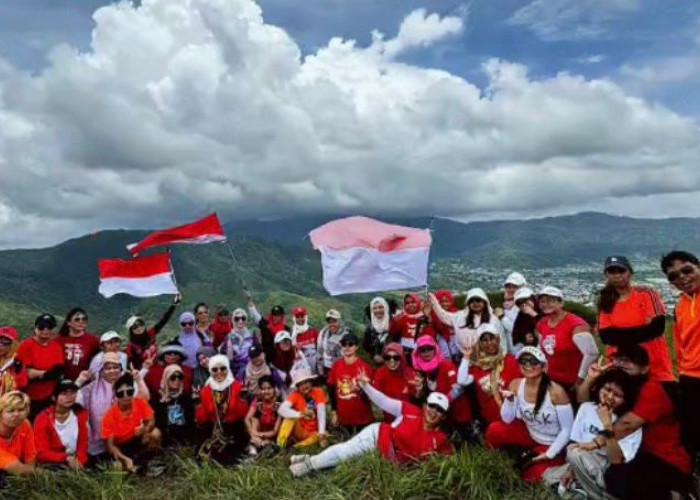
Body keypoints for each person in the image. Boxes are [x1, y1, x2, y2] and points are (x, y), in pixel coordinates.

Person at [289, 376, 453, 477]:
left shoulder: (440, 440)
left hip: (388, 462)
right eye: (432, 406)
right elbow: (383, 401)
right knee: (345, 452)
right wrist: (365, 386)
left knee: (344, 465)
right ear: (425, 406)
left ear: (444, 416)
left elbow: (446, 463)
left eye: (439, 410)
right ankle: (310, 464)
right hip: (377, 436)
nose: (434, 411)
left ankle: (307, 459)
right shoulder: (411, 411)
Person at [584, 345, 692, 500]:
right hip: (637, 453)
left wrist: (595, 443)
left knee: (619, 478)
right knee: (613, 475)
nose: (621, 363)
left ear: (644, 368)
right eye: (618, 359)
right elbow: (585, 403)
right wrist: (591, 378)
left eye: (628, 361)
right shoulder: (624, 385)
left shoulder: (652, 388)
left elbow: (627, 424)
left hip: (664, 458)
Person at [549, 369, 642, 500]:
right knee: (548, 476)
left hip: (606, 469)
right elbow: (575, 442)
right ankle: (580, 489)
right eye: (607, 389)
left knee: (574, 453)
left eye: (617, 395)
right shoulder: (586, 408)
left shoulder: (629, 422)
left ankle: (599, 496)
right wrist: (571, 470)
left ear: (625, 400)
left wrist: (607, 423)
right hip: (582, 460)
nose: (609, 397)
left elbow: (616, 460)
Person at [484, 347, 574, 483]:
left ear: (544, 367)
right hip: (529, 433)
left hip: (551, 442)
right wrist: (509, 401)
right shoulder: (516, 384)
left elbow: (567, 430)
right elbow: (507, 419)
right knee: (494, 430)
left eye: (533, 362)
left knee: (531, 476)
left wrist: (550, 453)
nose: (528, 365)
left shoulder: (556, 392)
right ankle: (490, 461)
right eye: (523, 361)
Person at [597, 256, 673, 382]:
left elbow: (657, 328)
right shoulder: (605, 300)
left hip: (653, 362)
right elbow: (606, 336)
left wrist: (618, 334)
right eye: (612, 272)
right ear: (606, 275)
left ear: (630, 272)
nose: (617, 276)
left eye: (621, 271)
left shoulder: (647, 294)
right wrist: (643, 329)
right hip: (620, 363)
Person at [660, 250, 700, 462]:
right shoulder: (680, 307)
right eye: (673, 276)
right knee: (691, 430)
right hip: (691, 377)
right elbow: (680, 344)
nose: (681, 278)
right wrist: (683, 372)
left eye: (687, 270)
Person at [75, 352, 151, 461]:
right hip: (101, 440)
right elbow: (71, 400)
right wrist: (79, 381)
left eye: (116, 367)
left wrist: (139, 379)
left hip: (126, 435)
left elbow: (145, 398)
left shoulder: (127, 383)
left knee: (153, 434)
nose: (112, 371)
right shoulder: (91, 388)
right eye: (108, 368)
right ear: (101, 370)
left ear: (121, 368)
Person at [535, 286, 598, 393]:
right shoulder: (542, 323)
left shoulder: (575, 325)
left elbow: (592, 353)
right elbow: (540, 347)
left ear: (561, 303)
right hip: (551, 380)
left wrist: (580, 380)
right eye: (543, 301)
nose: (546, 304)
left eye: (551, 301)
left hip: (572, 383)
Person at [456, 325, 520, 426]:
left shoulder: (511, 360)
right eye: (484, 340)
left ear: (498, 339)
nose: (489, 343)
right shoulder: (476, 368)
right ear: (480, 344)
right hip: (493, 420)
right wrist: (466, 357)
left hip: (517, 417)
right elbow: (461, 380)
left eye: (492, 338)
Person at [411, 335, 472, 440]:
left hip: (458, 413)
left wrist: (443, 402)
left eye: (429, 348)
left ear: (435, 348)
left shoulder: (446, 365)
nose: (426, 352)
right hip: (441, 418)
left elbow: (458, 388)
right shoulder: (420, 371)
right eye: (422, 350)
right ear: (418, 352)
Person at [101, 372, 161, 473]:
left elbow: (151, 420)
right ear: (115, 395)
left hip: (136, 441)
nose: (125, 396)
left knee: (155, 433)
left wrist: (145, 429)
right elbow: (110, 446)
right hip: (120, 447)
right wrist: (124, 458)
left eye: (129, 392)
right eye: (121, 393)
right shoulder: (109, 416)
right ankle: (132, 464)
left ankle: (148, 460)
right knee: (117, 467)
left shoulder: (140, 402)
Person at [195, 354, 249, 465]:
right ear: (210, 371)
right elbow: (202, 420)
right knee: (204, 454)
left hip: (232, 429)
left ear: (227, 369)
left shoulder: (237, 386)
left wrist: (243, 399)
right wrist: (198, 404)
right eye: (215, 369)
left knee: (228, 454)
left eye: (222, 368)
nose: (219, 372)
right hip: (213, 430)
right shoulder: (205, 391)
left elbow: (241, 415)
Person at [429, 288, 507, 358]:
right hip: (467, 357)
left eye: (478, 300)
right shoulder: (461, 316)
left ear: (485, 302)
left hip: (489, 358)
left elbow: (502, 340)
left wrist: (502, 356)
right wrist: (434, 302)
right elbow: (444, 317)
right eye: (472, 301)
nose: (475, 303)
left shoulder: (493, 319)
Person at [16, 314, 65, 420]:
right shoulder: (26, 345)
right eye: (41, 326)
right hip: (28, 398)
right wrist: (45, 374)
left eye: (49, 327)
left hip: (49, 397)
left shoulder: (56, 347)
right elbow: (25, 373)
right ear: (35, 328)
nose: (45, 330)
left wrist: (42, 374)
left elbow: (58, 371)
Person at [33, 378, 89, 469]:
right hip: (51, 465)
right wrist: (66, 458)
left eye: (72, 392)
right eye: (64, 393)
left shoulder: (80, 414)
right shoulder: (43, 418)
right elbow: (41, 452)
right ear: (54, 397)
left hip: (76, 462)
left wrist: (79, 461)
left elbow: (83, 444)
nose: (70, 396)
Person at [327, 333, 374, 435]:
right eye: (344, 344)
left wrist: (362, 388)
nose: (347, 347)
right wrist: (334, 412)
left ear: (356, 346)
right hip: (343, 419)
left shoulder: (364, 367)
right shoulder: (336, 365)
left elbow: (370, 397)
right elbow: (331, 390)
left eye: (351, 344)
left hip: (363, 419)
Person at [124, 295, 179, 370]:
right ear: (131, 331)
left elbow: (163, 320)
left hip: (158, 368)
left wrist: (174, 303)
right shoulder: (130, 347)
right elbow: (129, 367)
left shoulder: (150, 334)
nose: (139, 328)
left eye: (141, 324)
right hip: (142, 374)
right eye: (135, 327)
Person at [277, 369, 328, 449]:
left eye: (306, 382)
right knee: (289, 419)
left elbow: (321, 413)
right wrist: (299, 414)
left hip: (312, 431)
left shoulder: (318, 392)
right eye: (301, 384)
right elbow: (281, 410)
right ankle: (280, 445)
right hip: (300, 429)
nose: (304, 386)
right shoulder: (295, 395)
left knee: (321, 435)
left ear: (311, 382)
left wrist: (321, 433)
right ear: (297, 387)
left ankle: (294, 447)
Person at [371, 342, 415, 422]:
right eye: (388, 357)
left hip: (406, 417)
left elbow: (415, 397)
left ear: (401, 358)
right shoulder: (380, 373)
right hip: (387, 417)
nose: (392, 361)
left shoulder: (409, 373)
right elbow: (375, 395)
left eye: (396, 357)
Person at [153, 365, 194, 448]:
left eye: (180, 377)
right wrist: (163, 403)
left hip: (184, 439)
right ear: (166, 378)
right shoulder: (158, 397)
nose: (177, 380)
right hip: (165, 439)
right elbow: (158, 423)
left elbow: (190, 422)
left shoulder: (185, 396)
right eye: (173, 377)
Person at [57, 308, 100, 381]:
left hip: (85, 384)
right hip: (63, 384)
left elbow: (98, 360)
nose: (81, 321)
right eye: (77, 319)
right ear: (68, 322)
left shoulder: (93, 340)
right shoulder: (58, 341)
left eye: (84, 319)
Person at [246, 292, 290, 362]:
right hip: (266, 359)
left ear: (281, 316)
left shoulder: (286, 330)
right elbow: (254, 314)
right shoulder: (265, 324)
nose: (276, 317)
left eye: (278, 315)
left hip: (280, 360)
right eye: (274, 315)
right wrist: (249, 299)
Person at [244, 375, 281, 456]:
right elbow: (247, 419)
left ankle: (261, 446)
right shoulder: (258, 401)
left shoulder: (279, 404)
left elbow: (275, 431)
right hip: (257, 433)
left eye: (269, 388)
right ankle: (255, 444)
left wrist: (260, 435)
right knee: (254, 419)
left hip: (272, 435)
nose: (266, 391)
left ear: (274, 389)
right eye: (263, 389)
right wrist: (253, 434)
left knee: (269, 448)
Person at [0, 391, 35, 476]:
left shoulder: (25, 424)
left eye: (21, 410)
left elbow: (30, 456)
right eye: (10, 411)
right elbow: (16, 467)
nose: (16, 414)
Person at [423, 290, 459, 363]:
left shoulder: (456, 313)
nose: (444, 304)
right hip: (442, 340)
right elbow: (432, 331)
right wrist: (428, 317)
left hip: (456, 341)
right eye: (441, 302)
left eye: (447, 301)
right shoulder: (433, 314)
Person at [219, 308, 256, 381]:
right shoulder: (229, 338)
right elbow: (225, 359)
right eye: (237, 319)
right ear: (233, 320)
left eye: (243, 318)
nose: (240, 321)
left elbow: (257, 354)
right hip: (235, 376)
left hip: (252, 375)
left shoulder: (252, 337)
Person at [316, 309, 349, 381]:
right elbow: (319, 352)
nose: (332, 324)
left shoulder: (346, 334)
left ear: (339, 321)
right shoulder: (323, 333)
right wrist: (320, 371)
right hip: (327, 368)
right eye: (329, 322)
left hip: (342, 368)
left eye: (334, 321)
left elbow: (349, 353)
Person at [495, 272, 528, 344]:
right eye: (508, 287)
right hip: (507, 348)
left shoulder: (525, 305)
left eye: (515, 287)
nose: (511, 290)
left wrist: (502, 317)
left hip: (520, 348)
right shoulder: (506, 304)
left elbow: (516, 329)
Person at [363, 297, 395, 365]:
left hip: (394, 361)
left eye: (381, 307)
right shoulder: (370, 328)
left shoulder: (394, 323)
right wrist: (374, 355)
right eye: (374, 308)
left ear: (385, 308)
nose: (378, 310)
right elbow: (366, 345)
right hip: (376, 363)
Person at [510, 287, 542, 355]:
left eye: (526, 300)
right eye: (520, 303)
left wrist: (533, 314)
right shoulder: (521, 315)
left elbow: (545, 326)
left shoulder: (543, 309)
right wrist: (524, 337)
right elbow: (516, 334)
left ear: (532, 298)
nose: (524, 305)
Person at [0, 327, 27, 397]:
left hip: (7, 401)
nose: (1, 345)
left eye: (6, 341)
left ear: (13, 344)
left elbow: (22, 385)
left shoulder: (17, 363)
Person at [291, 307, 319, 374]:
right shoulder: (291, 333)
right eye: (297, 317)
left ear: (305, 317)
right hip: (300, 368)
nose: (300, 319)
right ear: (294, 318)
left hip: (315, 367)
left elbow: (319, 348)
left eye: (302, 316)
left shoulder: (313, 331)